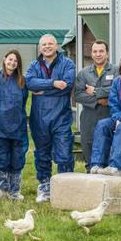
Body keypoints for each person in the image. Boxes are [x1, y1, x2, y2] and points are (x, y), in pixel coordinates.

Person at [25, 34, 76, 203]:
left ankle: (65, 186)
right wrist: (53, 84)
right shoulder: (34, 65)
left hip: (61, 117)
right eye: (44, 44)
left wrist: (43, 89)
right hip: (39, 118)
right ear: (40, 48)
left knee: (64, 153)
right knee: (42, 154)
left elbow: (67, 85)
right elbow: (30, 83)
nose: (47, 47)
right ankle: (45, 186)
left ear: (56, 46)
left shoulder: (67, 63)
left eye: (50, 44)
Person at [0, 50, 29, 201]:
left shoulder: (21, 81)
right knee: (2, 157)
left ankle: (15, 190)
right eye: (10, 59)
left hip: (18, 125)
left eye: (15, 61)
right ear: (4, 60)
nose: (12, 63)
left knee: (17, 158)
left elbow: (23, 101)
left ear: (18, 64)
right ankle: (2, 189)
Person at [73, 40, 117, 172]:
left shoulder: (115, 71)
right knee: (89, 146)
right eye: (95, 51)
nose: (98, 54)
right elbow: (78, 95)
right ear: (91, 54)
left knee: (108, 146)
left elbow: (116, 90)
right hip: (89, 115)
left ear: (107, 54)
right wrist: (99, 100)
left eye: (101, 51)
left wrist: (96, 91)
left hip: (109, 114)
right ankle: (90, 177)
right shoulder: (84, 73)